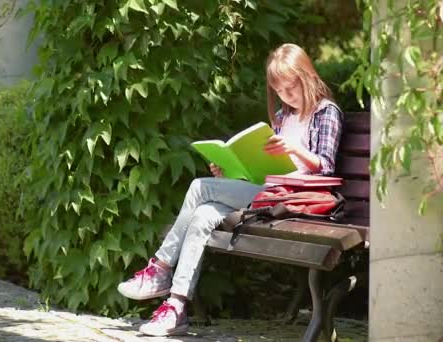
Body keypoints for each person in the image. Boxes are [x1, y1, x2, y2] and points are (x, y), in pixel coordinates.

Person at [117, 43, 344, 337]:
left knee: (200, 187)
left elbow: (326, 168)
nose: (286, 96)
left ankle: (160, 266)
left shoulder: (327, 113)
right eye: (279, 91)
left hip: (291, 200)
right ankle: (176, 307)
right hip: (264, 191)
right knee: (202, 215)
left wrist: (295, 150)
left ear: (307, 76)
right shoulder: (284, 116)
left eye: (291, 87)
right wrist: (230, 171)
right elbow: (261, 169)